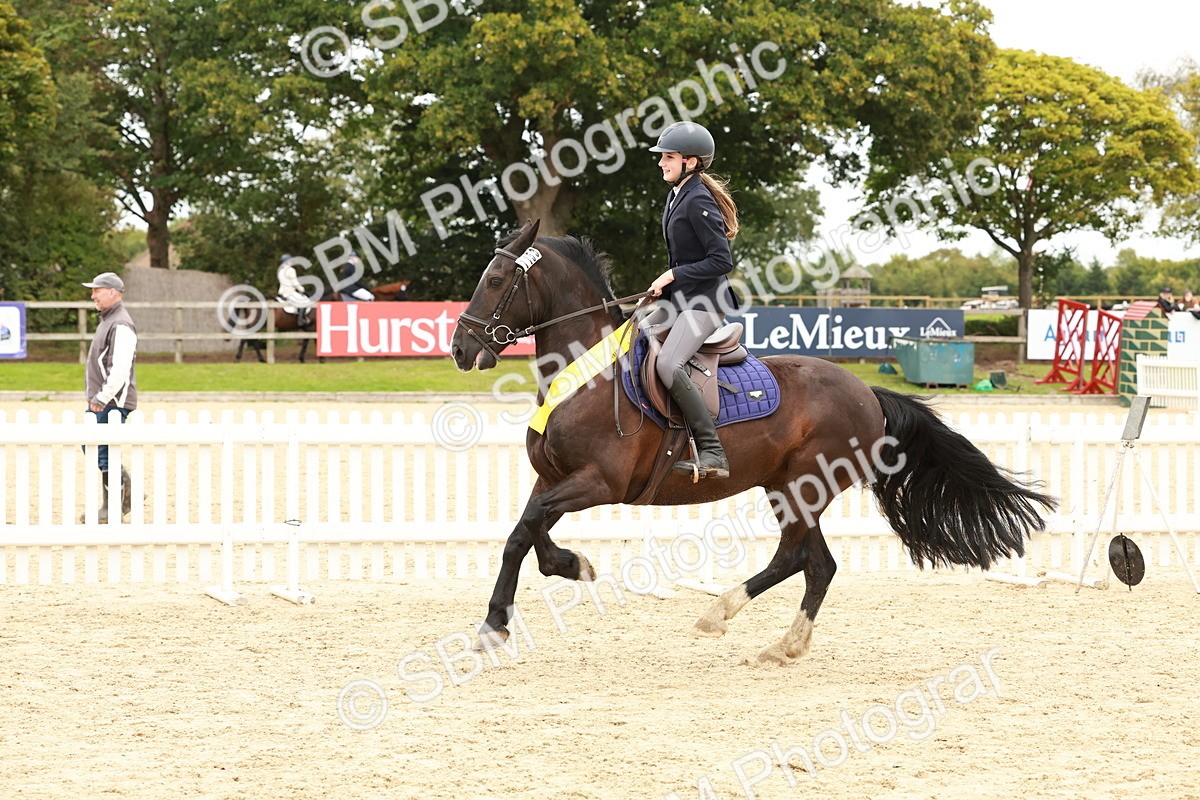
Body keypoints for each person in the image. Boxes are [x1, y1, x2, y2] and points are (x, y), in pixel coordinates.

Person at [644, 121, 740, 480]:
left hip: (706, 304)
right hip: (681, 300)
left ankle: (713, 451)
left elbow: (721, 260)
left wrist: (672, 276)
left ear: (691, 162)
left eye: (668, 157)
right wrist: (664, 288)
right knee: (634, 333)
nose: (661, 163)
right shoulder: (677, 194)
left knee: (669, 364)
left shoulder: (698, 198)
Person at [80, 272, 138, 523]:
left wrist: (103, 397)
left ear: (113, 292)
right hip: (106, 399)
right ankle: (124, 496)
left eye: (97, 290)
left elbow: (120, 367)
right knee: (93, 444)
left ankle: (113, 505)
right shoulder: (108, 320)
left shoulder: (120, 324)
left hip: (112, 401)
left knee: (102, 450)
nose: (93, 295)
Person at [276, 253, 312, 327]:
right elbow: (295, 283)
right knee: (305, 301)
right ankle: (301, 320)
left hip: (281, 293)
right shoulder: (291, 270)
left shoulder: (280, 271)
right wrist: (303, 290)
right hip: (290, 293)